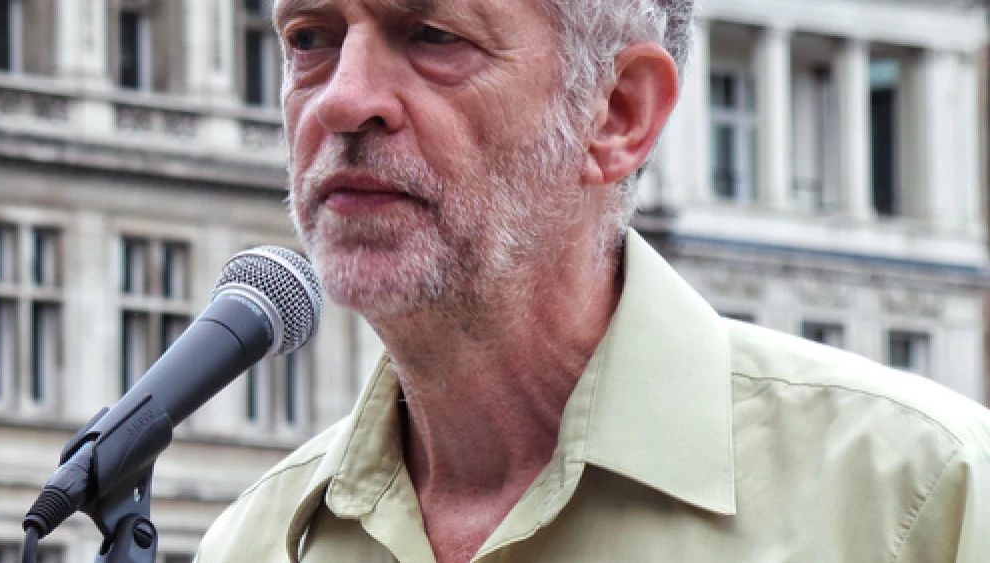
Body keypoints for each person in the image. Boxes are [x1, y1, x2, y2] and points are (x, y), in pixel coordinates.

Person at [196, 0, 990, 561]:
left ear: (617, 112)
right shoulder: (255, 542)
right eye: (309, 39)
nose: (342, 99)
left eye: (432, 35)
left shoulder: (925, 495)